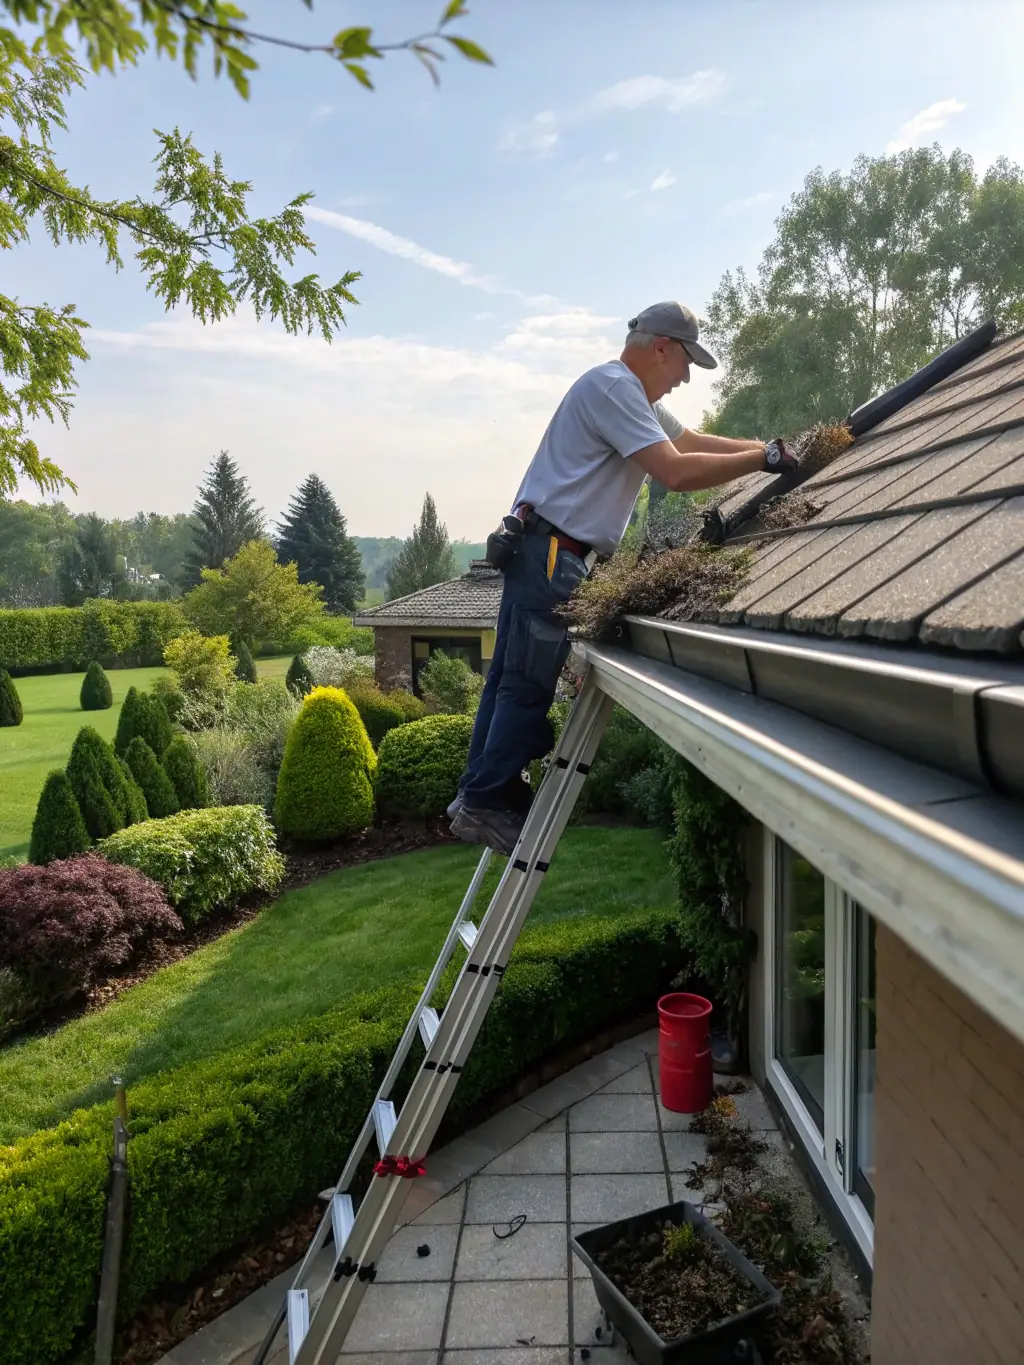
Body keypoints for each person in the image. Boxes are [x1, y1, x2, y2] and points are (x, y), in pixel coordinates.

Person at [449, 300, 798, 855]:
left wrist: (766, 450)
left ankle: (481, 793)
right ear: (661, 346)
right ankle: (486, 799)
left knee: (511, 678)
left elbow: (691, 442)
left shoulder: (630, 398)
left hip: (545, 549)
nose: (685, 377)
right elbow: (676, 471)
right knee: (526, 682)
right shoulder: (614, 388)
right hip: (551, 554)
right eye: (686, 363)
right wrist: (762, 463)